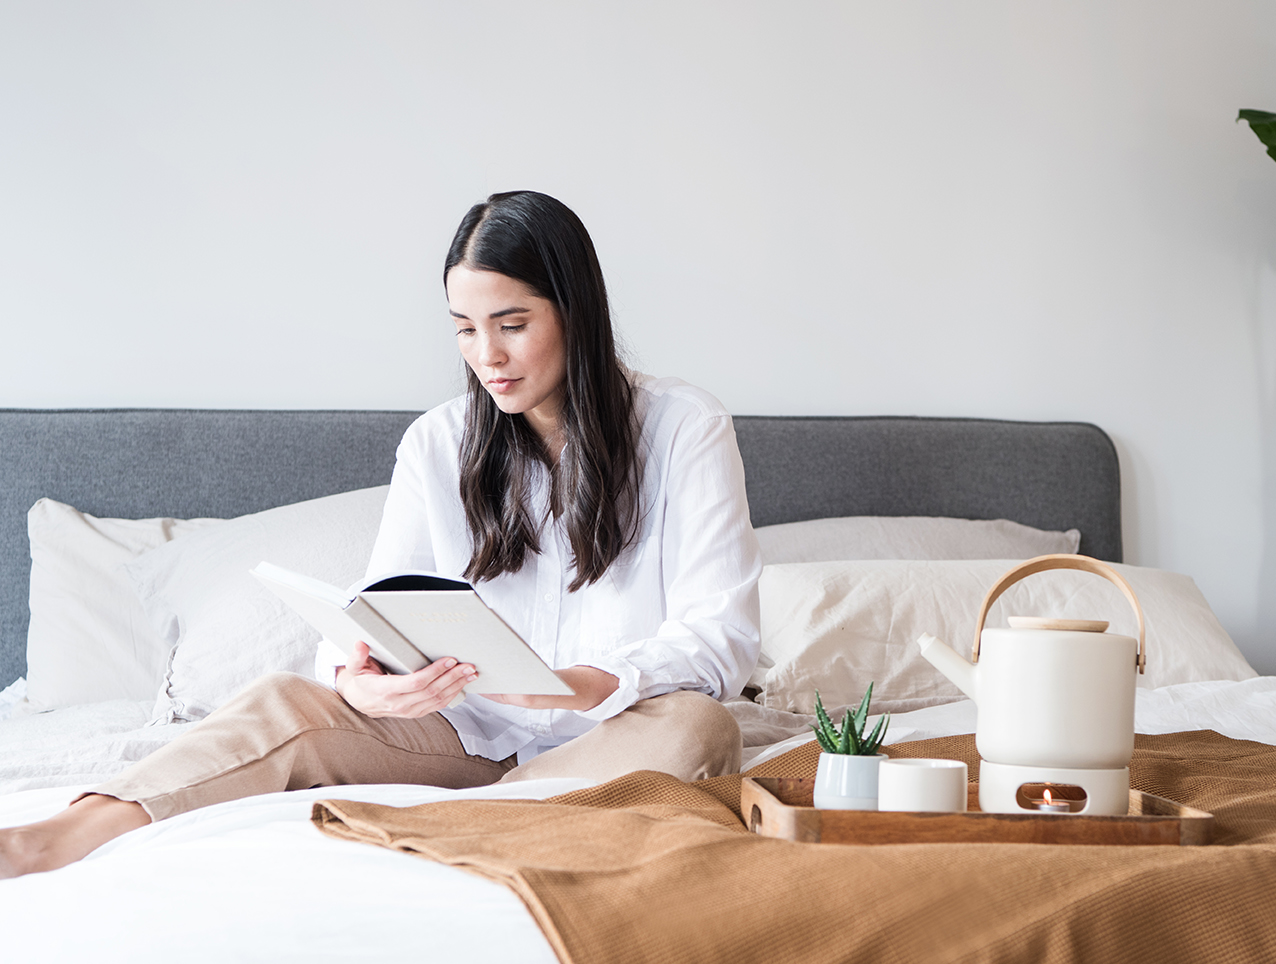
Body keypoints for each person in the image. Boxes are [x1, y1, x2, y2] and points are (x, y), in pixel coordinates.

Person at [0, 191, 762, 878]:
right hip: (458, 739)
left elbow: (721, 637)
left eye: (512, 325)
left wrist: (583, 682)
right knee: (284, 699)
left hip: (616, 735)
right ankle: (49, 839)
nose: (487, 356)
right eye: (465, 329)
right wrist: (358, 677)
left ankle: (462, 828)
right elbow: (379, 605)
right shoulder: (438, 442)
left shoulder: (683, 428)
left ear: (576, 312)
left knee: (697, 727)